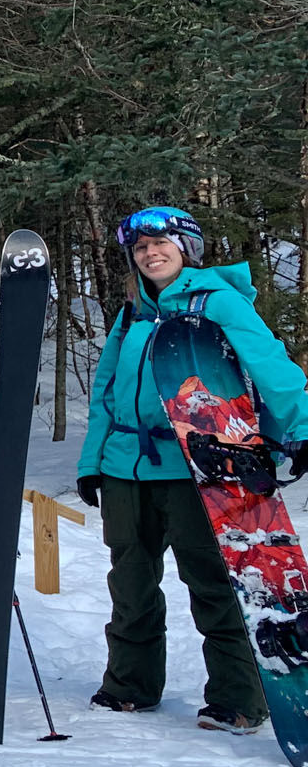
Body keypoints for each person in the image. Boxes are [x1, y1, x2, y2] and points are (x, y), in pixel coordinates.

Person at [77, 206, 308, 734]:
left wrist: (302, 427)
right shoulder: (131, 312)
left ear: (187, 249)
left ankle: (238, 698)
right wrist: (92, 461)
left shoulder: (218, 302)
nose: (150, 254)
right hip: (125, 470)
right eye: (139, 248)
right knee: (130, 585)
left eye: (161, 244)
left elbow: (271, 364)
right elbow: (106, 394)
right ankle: (130, 685)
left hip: (199, 470)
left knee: (213, 584)